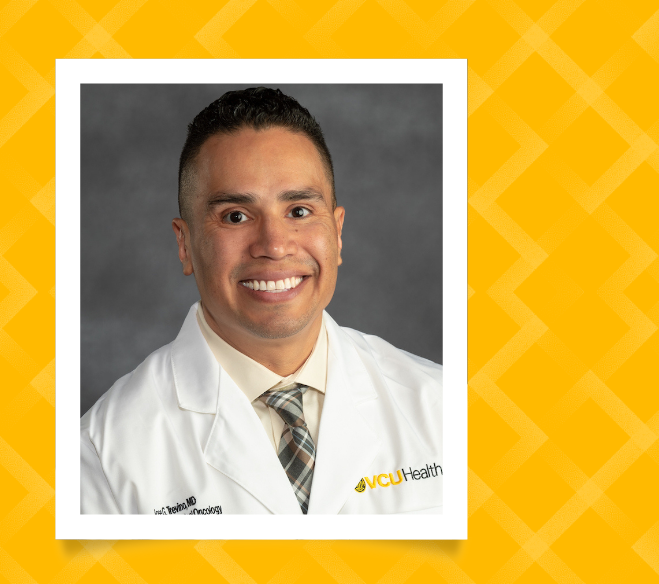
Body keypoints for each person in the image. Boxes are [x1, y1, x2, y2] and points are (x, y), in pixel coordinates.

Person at [80, 87, 443, 515]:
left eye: (299, 211)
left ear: (338, 232)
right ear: (184, 244)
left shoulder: (444, 406)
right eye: (236, 216)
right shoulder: (100, 456)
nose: (274, 245)